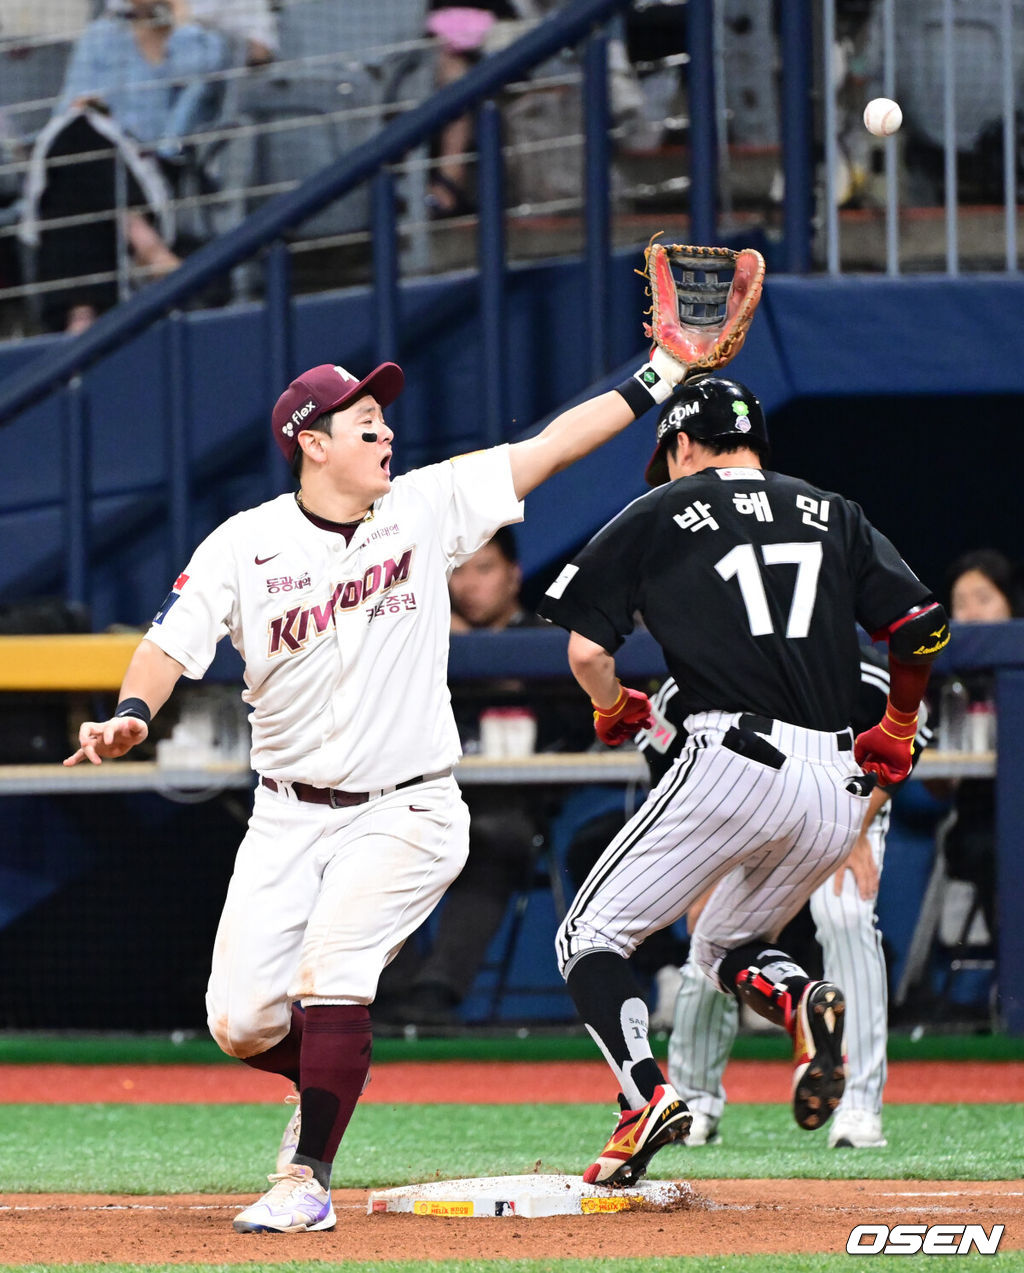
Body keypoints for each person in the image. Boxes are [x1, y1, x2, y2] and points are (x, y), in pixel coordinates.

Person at [63, 341, 694, 1233]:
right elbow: (170, 642)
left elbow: (550, 447)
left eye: (385, 420)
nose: (387, 432)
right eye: (367, 423)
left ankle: (307, 1178)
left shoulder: (425, 507)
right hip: (287, 813)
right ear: (312, 442)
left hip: (410, 806)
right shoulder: (246, 544)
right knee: (238, 1019)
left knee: (333, 972)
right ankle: (331, 1070)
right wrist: (132, 709)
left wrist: (664, 371)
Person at [537, 376, 949, 1187]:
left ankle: (644, 1096)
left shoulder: (662, 510)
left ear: (683, 446)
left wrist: (613, 704)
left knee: (586, 937)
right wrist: (897, 725)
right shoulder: (832, 508)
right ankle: (800, 1003)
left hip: (733, 756)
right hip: (837, 783)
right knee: (722, 943)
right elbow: (921, 625)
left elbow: (587, 651)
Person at [668, 645, 933, 1152]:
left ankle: (857, 1104)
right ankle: (694, 1104)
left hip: (851, 799)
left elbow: (910, 732)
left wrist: (855, 828)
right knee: (712, 934)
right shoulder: (706, 667)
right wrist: (699, 870)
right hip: (743, 806)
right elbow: (672, 761)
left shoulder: (858, 665)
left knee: (845, 914)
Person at [380, 526, 591, 1026]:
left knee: (488, 839)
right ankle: (390, 988)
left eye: (485, 569)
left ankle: (435, 994)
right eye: (459, 572)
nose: (470, 584)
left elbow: (582, 727)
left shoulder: (546, 642)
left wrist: (495, 670)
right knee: (375, 839)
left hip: (511, 806)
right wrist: (436, 646)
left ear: (514, 575)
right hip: (425, 794)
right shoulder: (422, 641)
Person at [19, 0, 227, 332]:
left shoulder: (201, 41)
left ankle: (80, 317)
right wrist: (94, 111)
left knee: (77, 168)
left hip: (156, 165)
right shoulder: (101, 34)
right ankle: (145, 243)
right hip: (96, 156)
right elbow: (68, 110)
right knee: (80, 136)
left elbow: (199, 81)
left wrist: (180, 21)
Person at [927, 549, 1022, 944]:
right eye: (959, 605)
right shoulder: (945, 682)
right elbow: (939, 786)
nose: (971, 614)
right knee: (987, 848)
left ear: (1010, 604)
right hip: (980, 818)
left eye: (983, 599)